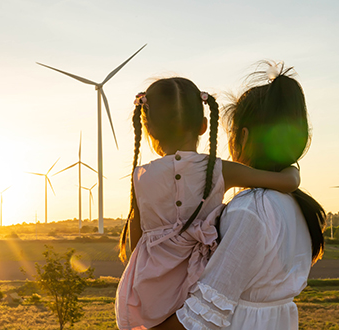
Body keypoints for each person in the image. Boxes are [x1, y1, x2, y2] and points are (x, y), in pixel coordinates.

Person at [115, 77, 301, 330]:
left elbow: (136, 238)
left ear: (149, 129)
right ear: (203, 126)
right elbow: (283, 182)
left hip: (149, 281)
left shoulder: (142, 177)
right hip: (196, 275)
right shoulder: (217, 169)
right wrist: (293, 171)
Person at [151, 63, 326, 330]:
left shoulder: (251, 209)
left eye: (232, 134)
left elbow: (205, 312)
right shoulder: (298, 206)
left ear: (243, 137)